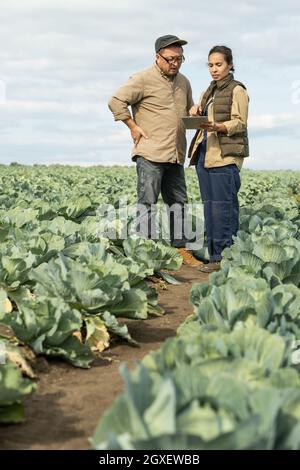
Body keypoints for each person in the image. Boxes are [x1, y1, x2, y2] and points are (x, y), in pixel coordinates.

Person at [108, 34, 202, 266]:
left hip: (175, 152)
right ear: (157, 57)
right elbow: (116, 101)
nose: (175, 63)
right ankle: (146, 254)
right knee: (147, 202)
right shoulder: (142, 78)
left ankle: (180, 249)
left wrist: (193, 110)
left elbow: (187, 107)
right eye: (170, 59)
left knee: (179, 202)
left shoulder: (184, 82)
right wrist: (132, 126)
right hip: (150, 151)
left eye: (180, 59)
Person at [188, 45, 249, 272]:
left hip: (225, 156)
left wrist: (219, 126)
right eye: (211, 65)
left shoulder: (237, 90)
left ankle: (223, 258)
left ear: (230, 64)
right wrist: (196, 110)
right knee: (210, 207)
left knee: (223, 208)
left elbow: (240, 123)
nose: (214, 69)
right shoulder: (209, 90)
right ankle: (216, 257)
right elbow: (203, 112)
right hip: (205, 154)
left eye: (219, 64)